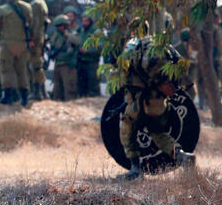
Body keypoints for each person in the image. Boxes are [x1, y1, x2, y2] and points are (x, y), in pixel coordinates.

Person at [117, 26, 196, 179]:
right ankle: (182, 156)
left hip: (139, 100)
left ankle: (135, 170)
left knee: (127, 128)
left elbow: (127, 72)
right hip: (159, 101)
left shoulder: (135, 46)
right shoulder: (162, 45)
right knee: (158, 132)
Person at [0, 0, 33, 106]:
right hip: (23, 44)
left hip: (7, 44)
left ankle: (8, 97)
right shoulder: (27, 8)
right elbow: (31, 23)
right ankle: (25, 97)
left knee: (6, 70)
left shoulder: (2, 10)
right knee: (22, 71)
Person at [22, 0, 50, 100]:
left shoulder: (35, 4)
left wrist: (32, 39)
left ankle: (38, 92)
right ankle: (42, 92)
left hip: (36, 39)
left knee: (35, 66)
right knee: (38, 65)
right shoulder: (41, 2)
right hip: (40, 38)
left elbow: (36, 25)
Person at [48, 15, 80, 101]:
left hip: (68, 65)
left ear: (65, 25)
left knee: (69, 89)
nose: (59, 28)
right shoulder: (56, 36)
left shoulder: (72, 34)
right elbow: (52, 47)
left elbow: (77, 42)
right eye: (57, 26)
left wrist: (67, 36)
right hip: (58, 64)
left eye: (60, 26)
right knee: (57, 90)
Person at [76, 14, 101, 97]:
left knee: (93, 86)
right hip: (81, 62)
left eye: (86, 21)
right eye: (83, 21)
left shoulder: (96, 32)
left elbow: (100, 48)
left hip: (92, 62)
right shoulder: (82, 31)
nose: (84, 23)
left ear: (90, 21)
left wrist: (87, 51)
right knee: (82, 86)